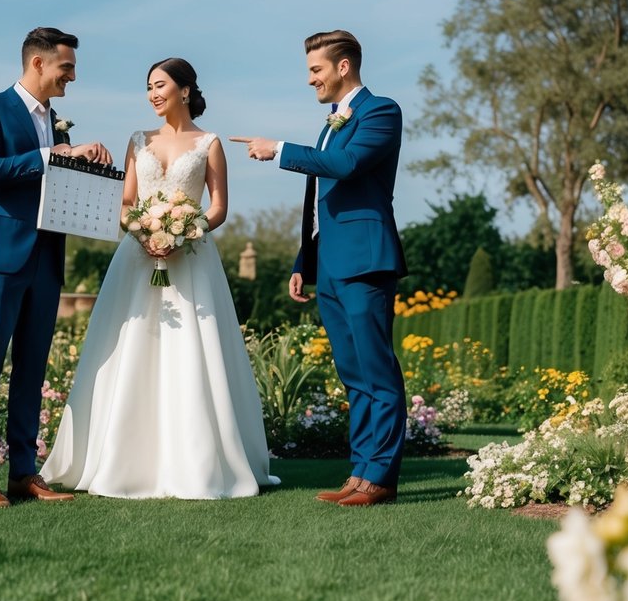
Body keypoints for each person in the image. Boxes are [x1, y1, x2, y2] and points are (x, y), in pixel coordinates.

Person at [41, 57, 279, 499]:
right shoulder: (137, 140)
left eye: (160, 85)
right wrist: (144, 232)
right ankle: (120, 460)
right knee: (132, 351)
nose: (152, 94)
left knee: (191, 350)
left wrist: (186, 232)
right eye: (148, 86)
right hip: (137, 258)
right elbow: (126, 199)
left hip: (192, 260)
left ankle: (199, 461)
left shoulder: (208, 143)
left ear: (184, 90)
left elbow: (219, 207)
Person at [231, 30, 408, 507]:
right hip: (329, 264)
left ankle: (381, 479)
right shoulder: (330, 123)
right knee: (353, 373)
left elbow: (347, 165)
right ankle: (360, 472)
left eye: (316, 70)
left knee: (377, 371)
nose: (310, 80)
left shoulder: (380, 111)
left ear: (343, 66)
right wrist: (302, 261)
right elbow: (321, 200)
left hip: (366, 260)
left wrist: (280, 150)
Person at [0, 27, 112, 508]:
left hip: (47, 258)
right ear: (38, 63)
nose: (72, 77)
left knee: (31, 371)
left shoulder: (56, 121)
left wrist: (87, 166)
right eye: (67, 68)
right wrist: (51, 155)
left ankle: (25, 472)